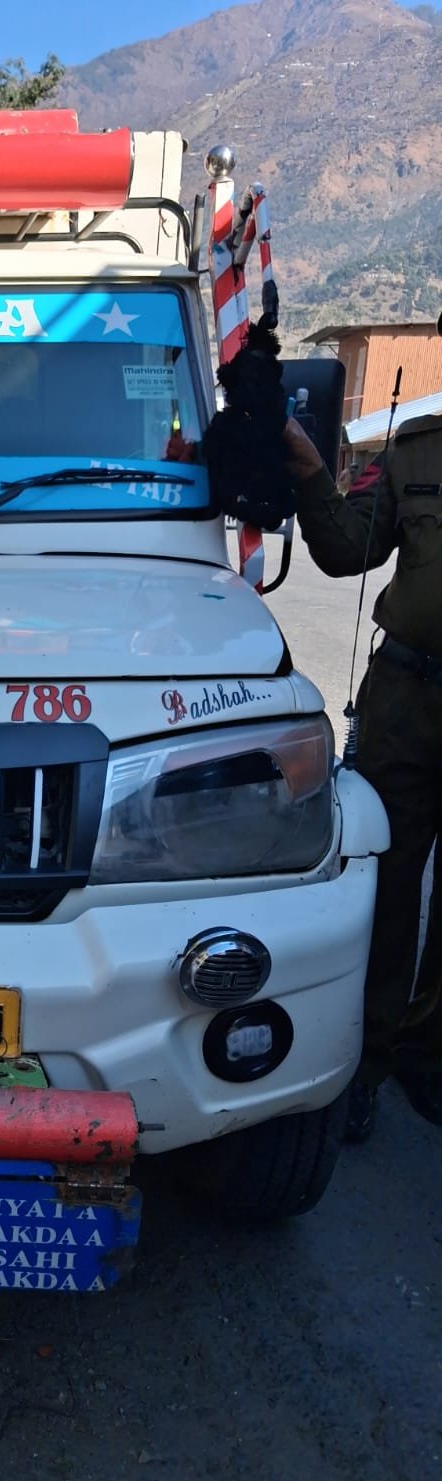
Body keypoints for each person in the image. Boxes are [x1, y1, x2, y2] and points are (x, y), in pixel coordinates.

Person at [285, 413, 442, 1140]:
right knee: (384, 881)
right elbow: (348, 548)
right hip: (409, 699)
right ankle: (365, 1059)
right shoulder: (418, 450)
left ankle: (426, 1051)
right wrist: (308, 468)